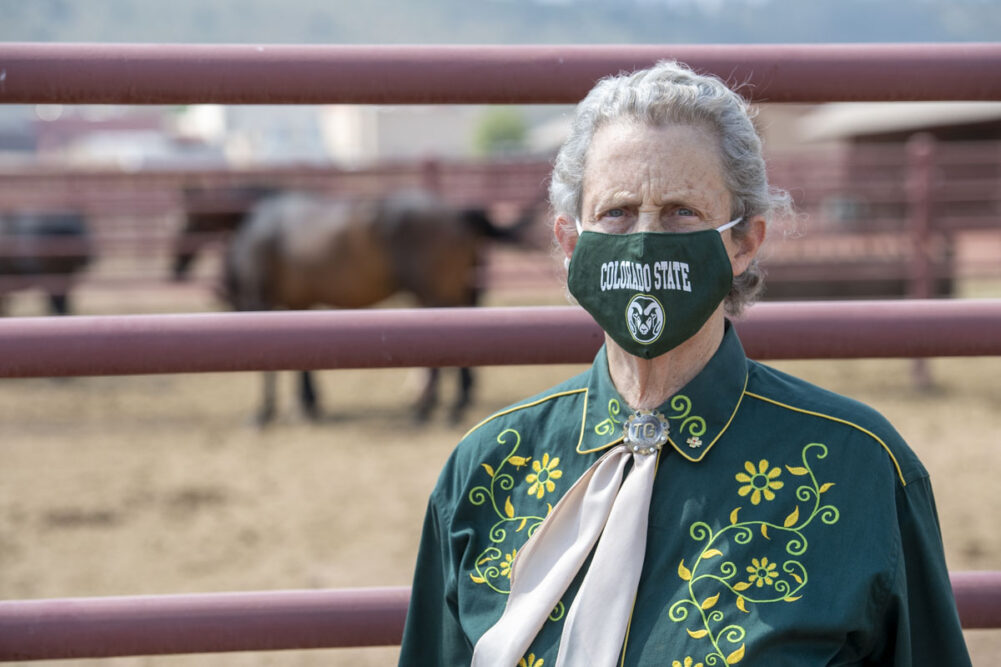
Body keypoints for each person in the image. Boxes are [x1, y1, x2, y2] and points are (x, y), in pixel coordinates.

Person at [398, 60, 970, 666]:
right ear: (570, 245)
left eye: (681, 213)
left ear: (744, 241)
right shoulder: (485, 469)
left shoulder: (861, 472)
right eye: (617, 213)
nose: (646, 240)